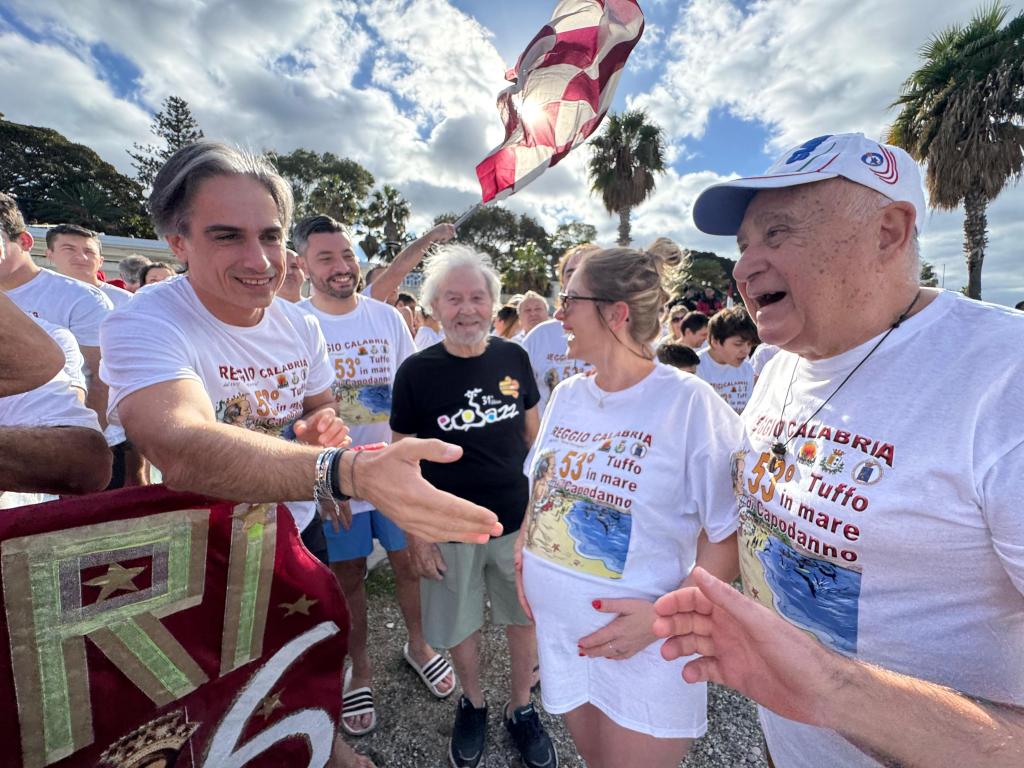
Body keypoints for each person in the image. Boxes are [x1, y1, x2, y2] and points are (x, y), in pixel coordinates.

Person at [98, 141, 502, 768]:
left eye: (270, 235)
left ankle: (330, 747)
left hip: (296, 527)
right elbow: (177, 442)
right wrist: (340, 472)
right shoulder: (145, 320)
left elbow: (320, 416)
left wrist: (322, 447)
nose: (259, 260)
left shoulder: (298, 325)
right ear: (178, 241)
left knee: (300, 643)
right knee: (215, 682)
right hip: (206, 544)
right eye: (227, 236)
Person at [654, 131, 1024, 768]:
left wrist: (835, 692)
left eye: (778, 234)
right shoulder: (777, 364)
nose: (742, 268)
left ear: (888, 231)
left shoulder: (1003, 380)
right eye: (743, 245)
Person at [516, 247, 744, 768]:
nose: (559, 313)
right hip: (564, 639)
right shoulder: (568, 395)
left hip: (644, 647)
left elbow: (729, 535)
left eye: (570, 300)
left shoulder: (689, 404)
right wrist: (523, 551)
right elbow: (543, 483)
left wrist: (665, 621)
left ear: (616, 313)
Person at [390, 245, 556, 768]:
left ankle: (522, 708)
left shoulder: (514, 358)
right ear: (435, 306)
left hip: (515, 524)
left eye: (477, 297)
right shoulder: (416, 372)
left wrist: (542, 516)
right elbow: (401, 462)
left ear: (493, 303)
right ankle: (474, 702)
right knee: (461, 625)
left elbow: (536, 440)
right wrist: (416, 534)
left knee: (523, 618)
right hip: (449, 527)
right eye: (453, 298)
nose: (467, 309)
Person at [293, 213, 456, 738]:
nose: (342, 267)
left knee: (407, 567)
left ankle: (419, 645)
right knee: (350, 578)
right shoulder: (293, 323)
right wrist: (323, 482)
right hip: (335, 484)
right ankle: (359, 668)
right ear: (303, 266)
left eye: (347, 255)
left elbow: (408, 401)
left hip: (392, 478)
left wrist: (414, 475)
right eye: (326, 258)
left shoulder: (385, 319)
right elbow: (295, 415)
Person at [522, 243, 597, 415]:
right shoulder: (539, 336)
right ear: (563, 283)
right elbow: (518, 396)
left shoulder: (621, 338)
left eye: (588, 270)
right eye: (571, 273)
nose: (578, 278)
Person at [361, 224, 456, 305]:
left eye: (387, 276)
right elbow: (397, 271)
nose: (391, 283)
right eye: (381, 280)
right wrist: (433, 235)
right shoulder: (364, 304)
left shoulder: (397, 318)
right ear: (367, 289)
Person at [695, 306, 757, 414]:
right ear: (715, 341)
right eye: (738, 344)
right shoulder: (695, 368)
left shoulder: (747, 369)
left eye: (749, 344)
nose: (746, 350)